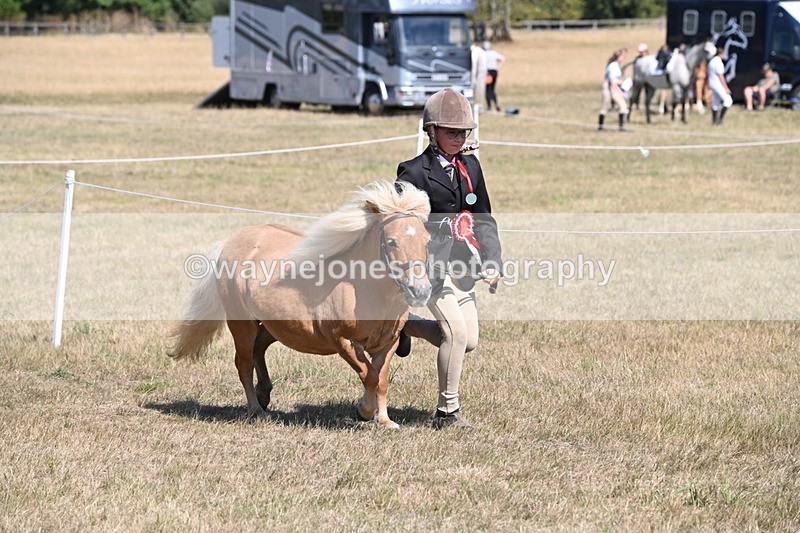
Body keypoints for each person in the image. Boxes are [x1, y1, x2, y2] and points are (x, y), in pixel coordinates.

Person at [395, 88, 502, 430]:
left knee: (469, 341)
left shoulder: (471, 166)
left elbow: (483, 216)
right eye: (451, 132)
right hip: (430, 268)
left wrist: (493, 260)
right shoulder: (412, 172)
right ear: (432, 131)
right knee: (454, 334)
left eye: (464, 132)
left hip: (464, 266)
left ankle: (406, 325)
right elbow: (404, 229)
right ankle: (447, 412)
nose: (459, 138)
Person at [598, 48, 629, 131]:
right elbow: (613, 81)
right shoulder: (614, 66)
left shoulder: (614, 65)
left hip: (611, 87)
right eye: (623, 57)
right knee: (623, 106)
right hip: (612, 88)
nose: (624, 59)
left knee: (605, 107)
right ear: (618, 57)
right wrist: (621, 92)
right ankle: (621, 127)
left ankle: (601, 127)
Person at [707, 47, 732, 125]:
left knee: (716, 102)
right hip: (717, 83)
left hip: (711, 83)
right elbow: (721, 76)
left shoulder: (711, 61)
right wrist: (726, 87)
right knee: (728, 100)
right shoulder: (718, 62)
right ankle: (719, 120)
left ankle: (714, 121)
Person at [483, 41, 505, 112]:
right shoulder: (494, 53)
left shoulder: (484, 54)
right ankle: (496, 105)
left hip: (488, 73)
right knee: (492, 89)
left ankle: (489, 107)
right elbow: (502, 59)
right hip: (494, 72)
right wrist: (498, 67)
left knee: (488, 89)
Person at [471, 42, 488, 111]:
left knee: (478, 90)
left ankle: (476, 107)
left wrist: (473, 78)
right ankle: (479, 106)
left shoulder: (475, 51)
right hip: (481, 75)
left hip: (478, 75)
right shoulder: (481, 52)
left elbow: (474, 64)